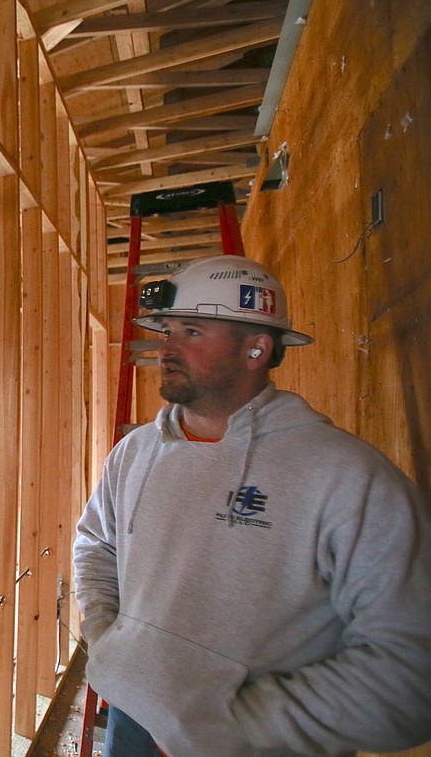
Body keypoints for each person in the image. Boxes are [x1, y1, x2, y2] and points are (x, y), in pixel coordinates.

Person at [73, 255, 431, 756]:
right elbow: (95, 543)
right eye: (167, 330)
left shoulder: (346, 478)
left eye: (192, 332)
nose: (166, 348)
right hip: (133, 718)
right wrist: (107, 637)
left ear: (257, 348)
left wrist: (228, 725)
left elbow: (411, 675)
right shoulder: (134, 453)